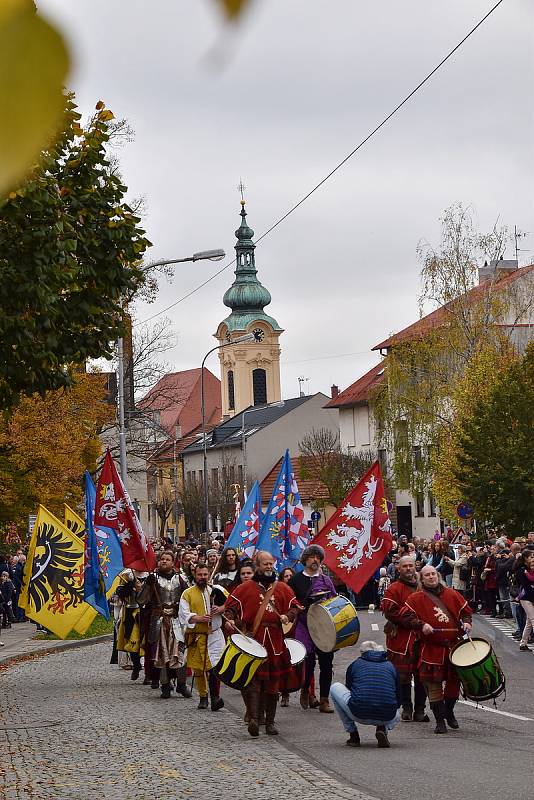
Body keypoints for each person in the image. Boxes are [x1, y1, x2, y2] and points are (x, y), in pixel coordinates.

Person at [224, 550, 301, 737]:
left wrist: (287, 616)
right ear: (257, 565)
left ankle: (270, 722)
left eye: (270, 563)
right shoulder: (244, 588)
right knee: (254, 682)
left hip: (275, 641)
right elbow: (230, 608)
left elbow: (295, 607)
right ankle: (254, 719)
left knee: (273, 683)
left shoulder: (282, 587)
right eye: (265, 563)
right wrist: (230, 619)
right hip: (254, 639)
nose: (268, 566)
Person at [399, 564, 472, 734]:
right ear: (422, 579)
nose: (431, 577)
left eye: (433, 574)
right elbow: (406, 617)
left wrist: (467, 622)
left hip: (454, 647)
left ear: (437, 576)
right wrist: (421, 624)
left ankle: (449, 712)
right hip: (430, 649)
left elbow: (466, 612)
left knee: (454, 683)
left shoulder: (452, 594)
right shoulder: (415, 599)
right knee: (433, 685)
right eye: (427, 575)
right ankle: (440, 721)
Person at [288, 544, 337, 713]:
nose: (315, 560)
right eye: (312, 557)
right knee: (307, 662)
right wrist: (297, 608)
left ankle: (324, 700)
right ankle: (305, 689)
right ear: (305, 560)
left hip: (323, 627)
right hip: (304, 625)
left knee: (326, 663)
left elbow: (334, 601)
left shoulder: (325, 580)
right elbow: (290, 602)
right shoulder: (295, 580)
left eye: (318, 557)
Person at [137, 551, 191, 699]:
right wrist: (147, 586)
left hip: (176, 620)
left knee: (179, 652)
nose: (164, 562)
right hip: (159, 620)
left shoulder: (181, 579)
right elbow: (141, 600)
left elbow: (188, 599)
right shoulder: (153, 579)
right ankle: (165, 685)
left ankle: (181, 684)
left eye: (167, 559)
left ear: (173, 562)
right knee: (161, 653)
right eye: (162, 559)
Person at [381, 556, 428, 722]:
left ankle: (420, 709)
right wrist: (411, 620)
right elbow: (390, 612)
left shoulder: (424, 586)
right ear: (399, 569)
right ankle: (407, 707)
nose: (408, 568)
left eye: (411, 565)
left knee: (423, 675)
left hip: (422, 637)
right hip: (401, 638)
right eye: (405, 566)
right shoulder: (394, 589)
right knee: (403, 676)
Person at [329, 641, 400, 748]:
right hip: (387, 716)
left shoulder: (355, 664)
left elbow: (349, 688)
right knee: (395, 708)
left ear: (362, 653)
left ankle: (353, 735)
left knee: (335, 687)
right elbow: (399, 696)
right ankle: (382, 729)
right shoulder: (391, 666)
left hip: (358, 712)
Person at [179, 563, 226, 710]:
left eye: (205, 574)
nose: (202, 577)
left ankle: (215, 697)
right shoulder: (187, 593)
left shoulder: (216, 590)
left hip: (215, 635)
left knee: (214, 667)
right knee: (199, 668)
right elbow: (184, 614)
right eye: (200, 575)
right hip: (197, 635)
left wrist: (220, 608)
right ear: (195, 575)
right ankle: (203, 697)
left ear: (209, 574)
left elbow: (231, 604)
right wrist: (199, 618)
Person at [517, 550, 534, 652]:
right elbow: (525, 585)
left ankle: (523, 643)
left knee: (529, 621)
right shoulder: (521, 570)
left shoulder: (529, 569)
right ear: (526, 558)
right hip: (526, 597)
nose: (532, 558)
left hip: (531, 597)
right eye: (531, 557)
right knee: (533, 619)